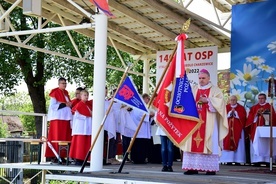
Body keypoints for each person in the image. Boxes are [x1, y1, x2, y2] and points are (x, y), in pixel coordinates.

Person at [182, 69, 228, 175]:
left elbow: (221, 104)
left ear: (208, 78)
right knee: (191, 143)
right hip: (194, 122)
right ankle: (192, 167)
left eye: (203, 78)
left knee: (210, 142)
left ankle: (210, 168)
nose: (201, 80)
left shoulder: (215, 90)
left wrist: (208, 100)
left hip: (210, 122)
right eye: (200, 78)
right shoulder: (194, 89)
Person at [45, 77, 72, 162]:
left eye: (65, 83)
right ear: (59, 84)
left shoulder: (66, 93)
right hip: (58, 118)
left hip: (66, 118)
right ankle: (55, 155)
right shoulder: (55, 92)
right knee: (57, 136)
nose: (64, 85)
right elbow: (53, 106)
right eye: (62, 83)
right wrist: (65, 105)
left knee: (64, 137)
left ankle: (63, 155)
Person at [245, 93, 276, 164]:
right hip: (256, 130)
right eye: (259, 98)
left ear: (265, 99)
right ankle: (257, 160)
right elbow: (250, 118)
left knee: (266, 143)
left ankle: (267, 160)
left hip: (266, 129)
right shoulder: (254, 107)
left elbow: (273, 117)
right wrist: (256, 115)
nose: (260, 100)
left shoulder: (269, 107)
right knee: (257, 142)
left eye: (262, 98)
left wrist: (264, 115)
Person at [220, 95, 247, 164]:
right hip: (227, 130)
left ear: (236, 100)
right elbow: (222, 116)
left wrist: (235, 113)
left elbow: (243, 117)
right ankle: (227, 160)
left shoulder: (241, 108)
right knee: (227, 142)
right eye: (231, 100)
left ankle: (238, 160)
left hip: (238, 130)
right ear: (229, 100)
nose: (232, 101)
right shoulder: (226, 107)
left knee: (239, 143)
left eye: (234, 100)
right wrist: (229, 113)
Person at [69, 89, 92, 165]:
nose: (86, 97)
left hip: (86, 127)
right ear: (81, 96)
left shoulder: (87, 105)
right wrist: (88, 115)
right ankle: (78, 159)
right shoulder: (79, 105)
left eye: (87, 95)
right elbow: (78, 115)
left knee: (85, 143)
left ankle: (84, 159)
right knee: (80, 143)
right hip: (80, 128)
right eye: (84, 95)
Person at [130, 93, 154, 164]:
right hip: (139, 129)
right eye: (148, 99)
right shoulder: (138, 106)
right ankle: (138, 159)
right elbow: (139, 115)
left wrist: (149, 116)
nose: (148, 101)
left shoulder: (143, 106)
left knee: (142, 145)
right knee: (139, 145)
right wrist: (148, 116)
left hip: (143, 128)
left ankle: (141, 158)